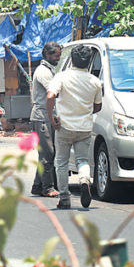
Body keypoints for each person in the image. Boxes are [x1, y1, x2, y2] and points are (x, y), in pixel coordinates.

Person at [47, 45, 103, 209]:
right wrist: (85, 110)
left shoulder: (61, 77)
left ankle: (64, 198)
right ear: (89, 61)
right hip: (84, 127)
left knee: (62, 162)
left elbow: (50, 96)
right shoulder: (95, 81)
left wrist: (51, 118)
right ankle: (84, 179)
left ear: (72, 59)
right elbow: (98, 106)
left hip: (64, 126)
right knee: (82, 160)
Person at [30, 42, 62, 198]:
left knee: (46, 153)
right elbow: (53, 92)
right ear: (47, 55)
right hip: (42, 117)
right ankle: (47, 187)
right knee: (48, 153)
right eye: (56, 55)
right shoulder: (43, 71)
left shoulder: (50, 70)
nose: (58, 58)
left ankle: (37, 186)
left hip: (46, 116)